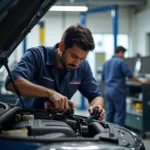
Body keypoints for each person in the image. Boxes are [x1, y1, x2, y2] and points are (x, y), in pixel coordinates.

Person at [5, 24, 105, 120]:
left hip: (59, 123)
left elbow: (96, 96)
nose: (77, 64)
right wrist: (49, 93)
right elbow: (11, 83)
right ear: (62, 46)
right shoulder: (37, 56)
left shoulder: (83, 67)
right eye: (74, 56)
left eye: (82, 59)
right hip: (27, 120)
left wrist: (97, 106)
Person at [101, 46, 148, 126]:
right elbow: (130, 75)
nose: (123, 56)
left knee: (110, 112)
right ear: (120, 52)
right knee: (120, 113)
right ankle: (119, 135)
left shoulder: (106, 62)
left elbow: (103, 78)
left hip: (108, 90)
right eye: (123, 53)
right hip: (118, 90)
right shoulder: (121, 62)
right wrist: (141, 81)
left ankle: (108, 131)